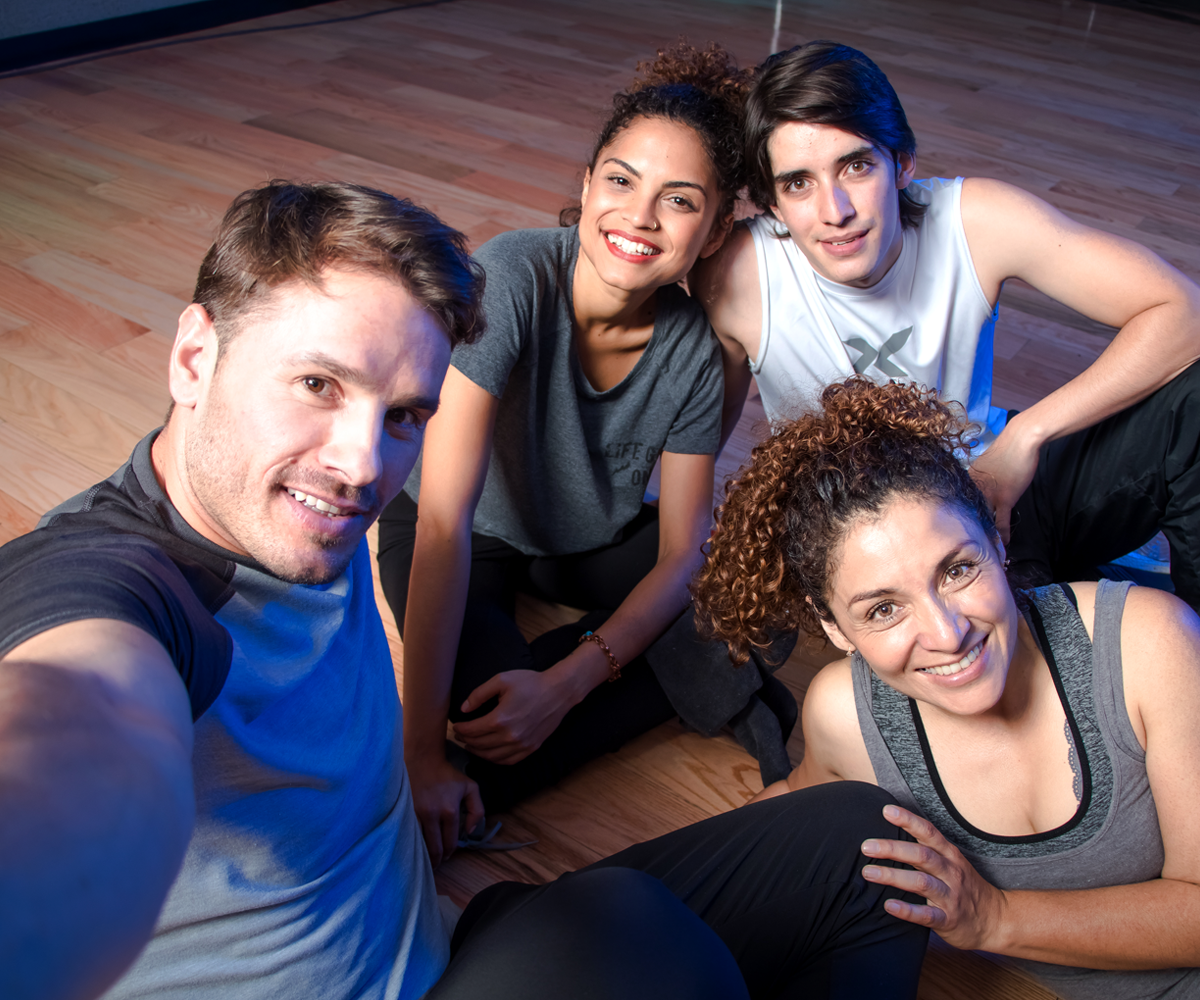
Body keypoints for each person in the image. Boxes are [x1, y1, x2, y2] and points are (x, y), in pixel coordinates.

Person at [0, 181, 931, 1000]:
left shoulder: (279, 509)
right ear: (194, 358)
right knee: (624, 938)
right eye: (319, 383)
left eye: (404, 414)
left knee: (877, 848)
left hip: (433, 932)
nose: (363, 465)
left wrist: (415, 773)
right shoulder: (119, 582)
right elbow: (79, 728)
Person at [377, 43, 794, 863]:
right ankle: (695, 680)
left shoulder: (697, 353)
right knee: (483, 747)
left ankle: (670, 672)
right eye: (620, 180)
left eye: (679, 201)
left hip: (587, 536)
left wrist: (566, 682)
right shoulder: (510, 277)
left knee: (762, 587)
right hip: (465, 531)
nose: (639, 217)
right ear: (586, 185)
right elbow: (443, 529)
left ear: (713, 235)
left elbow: (682, 550)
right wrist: (420, 753)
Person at [694, 375, 1200, 1000]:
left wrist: (993, 918)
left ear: (997, 539)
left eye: (958, 569)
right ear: (834, 627)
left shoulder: (1149, 643)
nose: (947, 632)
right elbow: (794, 807)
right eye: (882, 609)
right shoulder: (847, 714)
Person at [693, 40, 1200, 609]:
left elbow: (1185, 313)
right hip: (891, 547)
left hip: (998, 475)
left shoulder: (975, 221)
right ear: (771, 204)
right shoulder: (738, 275)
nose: (834, 210)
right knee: (1006, 669)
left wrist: (1024, 437)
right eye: (798, 183)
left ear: (902, 161)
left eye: (856, 165)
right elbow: (703, 426)